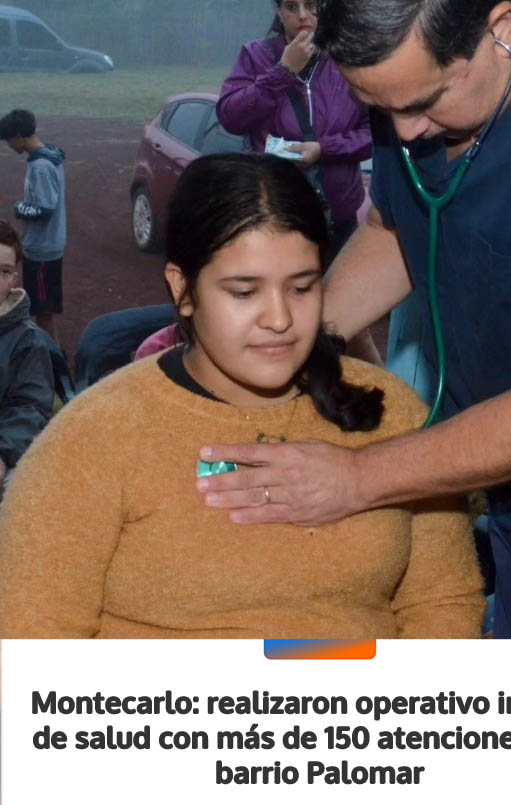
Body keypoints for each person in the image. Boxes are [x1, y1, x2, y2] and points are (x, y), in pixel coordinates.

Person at [194, 0, 511, 640]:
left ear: (500, 28)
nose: (405, 134)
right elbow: (393, 227)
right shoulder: (412, 75)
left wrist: (354, 478)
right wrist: (290, 341)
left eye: (424, 102)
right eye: (378, 107)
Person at [0, 153, 484, 639]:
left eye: (302, 287)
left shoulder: (393, 412)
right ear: (182, 289)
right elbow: (32, 639)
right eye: (244, 292)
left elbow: (443, 603)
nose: (280, 319)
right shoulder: (95, 437)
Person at [216, 0, 372, 256]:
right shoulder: (256, 56)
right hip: (274, 217)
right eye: (291, 6)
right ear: (279, 12)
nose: (302, 15)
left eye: (311, 5)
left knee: (337, 282)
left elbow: (373, 134)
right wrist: (283, 71)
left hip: (338, 220)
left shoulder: (348, 57)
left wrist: (323, 150)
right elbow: (230, 117)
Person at [0, 109, 67, 346]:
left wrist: (20, 208)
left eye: (9, 139)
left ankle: (51, 358)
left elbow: (45, 208)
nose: (9, 145)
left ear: (19, 135)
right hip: (46, 246)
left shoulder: (41, 166)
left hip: (42, 250)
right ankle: (53, 354)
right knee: (43, 309)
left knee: (42, 311)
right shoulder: (50, 157)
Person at [0, 219, 54, 496]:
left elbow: (30, 409)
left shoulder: (27, 342)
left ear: (13, 280)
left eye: (4, 271)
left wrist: (3, 452)